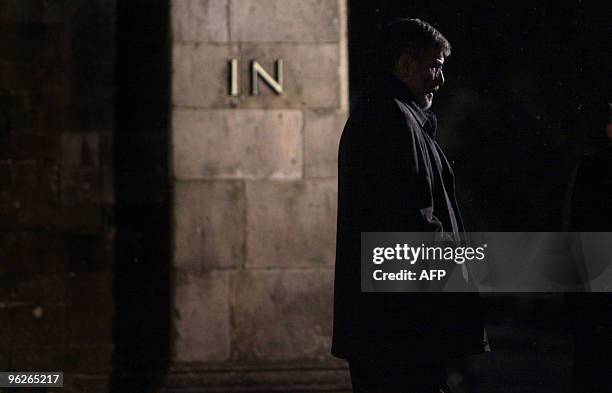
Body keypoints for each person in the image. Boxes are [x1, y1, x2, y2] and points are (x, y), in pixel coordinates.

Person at [332, 19, 488, 393]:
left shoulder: (389, 116)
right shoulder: (394, 120)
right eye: (434, 66)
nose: (440, 79)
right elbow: (415, 223)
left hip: (389, 325)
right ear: (404, 64)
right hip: (402, 329)